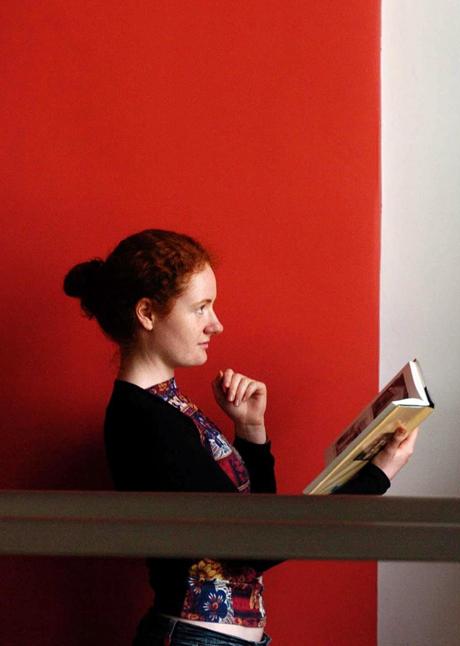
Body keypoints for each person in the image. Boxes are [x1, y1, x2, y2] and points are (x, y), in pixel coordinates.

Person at [64, 229, 418, 646]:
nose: (216, 324)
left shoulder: (170, 408)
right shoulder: (142, 418)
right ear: (147, 313)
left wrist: (251, 432)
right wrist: (374, 479)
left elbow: (254, 521)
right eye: (200, 308)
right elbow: (250, 545)